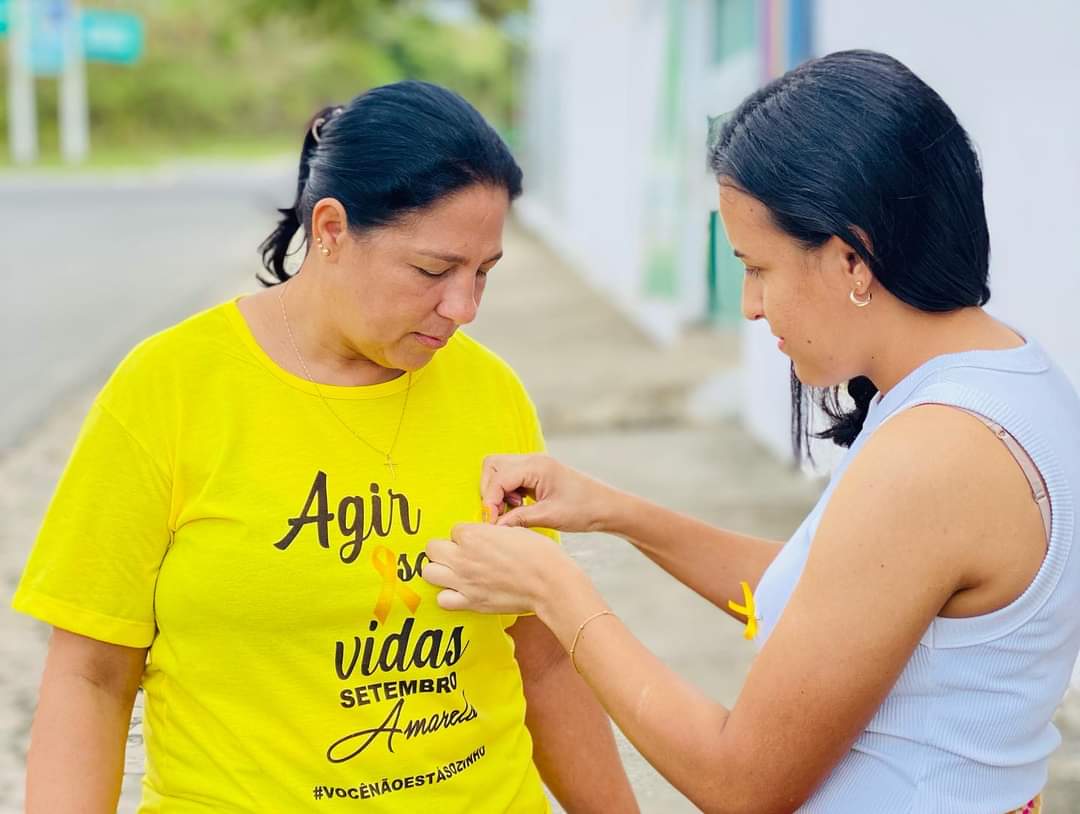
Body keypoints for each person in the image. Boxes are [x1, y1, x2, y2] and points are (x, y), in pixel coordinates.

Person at [421, 51, 1080, 813]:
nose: (750, 306)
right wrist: (615, 512)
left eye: (757, 267)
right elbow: (836, 598)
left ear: (850, 259)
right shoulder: (1008, 377)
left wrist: (553, 591)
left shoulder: (935, 455)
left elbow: (741, 783)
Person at [13, 80, 637, 813]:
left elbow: (540, 658)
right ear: (333, 228)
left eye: (484, 274)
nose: (463, 309)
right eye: (434, 271)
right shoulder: (169, 390)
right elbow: (90, 673)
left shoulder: (489, 392)